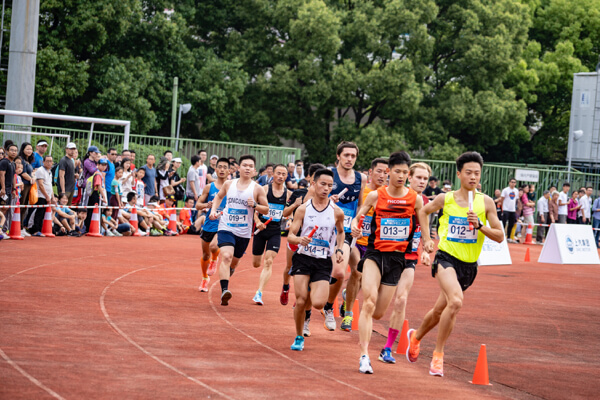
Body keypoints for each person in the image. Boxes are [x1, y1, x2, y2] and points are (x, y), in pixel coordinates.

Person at [407, 151, 504, 377]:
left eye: (477, 174)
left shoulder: (485, 202)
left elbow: (500, 236)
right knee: (456, 301)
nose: (473, 177)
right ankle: (438, 355)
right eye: (468, 172)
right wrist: (428, 240)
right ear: (459, 174)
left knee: (442, 308)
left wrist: (480, 226)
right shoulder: (446, 198)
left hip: (469, 266)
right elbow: (423, 211)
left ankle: (416, 336)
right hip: (446, 258)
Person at [350, 152, 426, 374]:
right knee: (369, 303)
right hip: (375, 254)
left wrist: (429, 242)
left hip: (398, 259)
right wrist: (356, 224)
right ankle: (364, 355)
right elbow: (360, 214)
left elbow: (424, 222)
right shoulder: (376, 195)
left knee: (379, 313)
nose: (401, 175)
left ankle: (379, 343)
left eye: (405, 172)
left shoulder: (415, 199)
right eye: (397, 171)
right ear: (389, 172)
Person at [379, 162, 431, 364]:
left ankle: (388, 348)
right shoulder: (396, 195)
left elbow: (424, 229)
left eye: (425, 179)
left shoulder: (425, 202)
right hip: (384, 254)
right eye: (418, 177)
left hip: (409, 257)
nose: (422, 181)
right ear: (409, 177)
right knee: (376, 308)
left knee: (401, 299)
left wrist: (425, 250)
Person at [288, 168, 345, 351]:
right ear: (313, 184)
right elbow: (291, 235)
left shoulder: (336, 212)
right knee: (301, 298)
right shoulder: (303, 209)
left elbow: (341, 232)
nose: (326, 188)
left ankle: (310, 311)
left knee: (318, 302)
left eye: (330, 185)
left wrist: (338, 249)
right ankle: (298, 336)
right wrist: (299, 239)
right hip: (303, 258)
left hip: (322, 261)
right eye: (323, 184)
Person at [209, 155, 269, 305]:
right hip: (226, 227)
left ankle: (229, 272)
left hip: (244, 232)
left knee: (233, 263)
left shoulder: (257, 188)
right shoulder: (229, 184)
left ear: (254, 170)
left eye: (250, 166)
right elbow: (218, 197)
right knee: (227, 256)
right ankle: (224, 291)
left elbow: (266, 209)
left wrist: (255, 205)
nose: (247, 168)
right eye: (244, 165)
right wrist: (213, 211)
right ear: (238, 168)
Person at [339, 157, 388, 332]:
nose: (382, 176)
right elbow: (354, 213)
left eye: (386, 173)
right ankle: (349, 314)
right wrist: (354, 226)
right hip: (356, 241)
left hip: (374, 245)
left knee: (366, 280)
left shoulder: (387, 195)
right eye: (379, 171)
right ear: (371, 172)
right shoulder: (364, 191)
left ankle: (347, 296)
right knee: (357, 273)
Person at [324, 141, 367, 332]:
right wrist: (327, 200)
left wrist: (356, 223)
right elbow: (312, 198)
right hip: (324, 230)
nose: (350, 159)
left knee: (342, 272)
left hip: (346, 232)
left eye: (353, 156)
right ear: (338, 156)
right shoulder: (328, 174)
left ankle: (331, 307)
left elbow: (358, 207)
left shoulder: (361, 178)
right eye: (346, 155)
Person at [279, 163, 325, 308]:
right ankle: (285, 287)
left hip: (313, 239)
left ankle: (300, 297)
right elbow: (284, 213)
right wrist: (295, 205)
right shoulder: (298, 193)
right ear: (310, 177)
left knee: (308, 271)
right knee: (289, 267)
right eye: (316, 176)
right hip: (295, 237)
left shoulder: (324, 198)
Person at [251, 164, 294, 305]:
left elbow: (290, 212)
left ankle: (259, 293)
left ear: (287, 176)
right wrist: (257, 222)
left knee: (269, 261)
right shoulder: (264, 190)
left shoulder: (288, 194)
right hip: (261, 229)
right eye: (278, 173)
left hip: (275, 230)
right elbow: (253, 211)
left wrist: (290, 220)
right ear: (273, 174)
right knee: (256, 263)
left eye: (284, 174)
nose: (281, 176)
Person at [196, 158, 231, 292]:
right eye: (219, 167)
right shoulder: (209, 187)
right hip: (209, 224)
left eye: (225, 167)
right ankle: (205, 278)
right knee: (205, 255)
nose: (222, 169)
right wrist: (206, 205)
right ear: (215, 170)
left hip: (224, 224)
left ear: (229, 171)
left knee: (214, 246)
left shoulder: (232, 187)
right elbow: (198, 204)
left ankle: (215, 259)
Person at [29, 155, 55, 236]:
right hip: (41, 196)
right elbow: (41, 185)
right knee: (39, 213)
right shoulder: (40, 170)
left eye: (50, 161)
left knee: (43, 213)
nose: (49, 163)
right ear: (43, 162)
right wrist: (47, 196)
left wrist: (52, 197)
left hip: (47, 196)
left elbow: (50, 185)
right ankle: (35, 230)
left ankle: (39, 229)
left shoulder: (50, 171)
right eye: (47, 161)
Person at [84, 158, 108, 232]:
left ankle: (91, 228)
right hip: (95, 193)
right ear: (97, 165)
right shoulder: (98, 174)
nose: (104, 167)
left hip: (95, 194)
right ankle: (90, 228)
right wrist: (104, 196)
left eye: (105, 165)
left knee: (93, 210)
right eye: (102, 165)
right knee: (93, 211)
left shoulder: (99, 173)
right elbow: (98, 186)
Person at [0, 143, 17, 231]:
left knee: (6, 208)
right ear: (7, 151)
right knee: (2, 208)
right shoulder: (4, 162)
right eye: (12, 150)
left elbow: (14, 176)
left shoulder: (13, 163)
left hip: (9, 190)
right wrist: (2, 188)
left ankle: (1, 229)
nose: (14, 152)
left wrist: (14, 189)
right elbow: (2, 175)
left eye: (15, 151)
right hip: (4, 189)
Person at [500, 178, 518, 243]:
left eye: (514, 182)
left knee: (511, 224)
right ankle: (502, 236)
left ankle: (509, 237)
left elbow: (516, 200)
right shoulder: (505, 190)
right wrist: (502, 207)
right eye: (512, 182)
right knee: (503, 223)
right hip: (506, 209)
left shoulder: (516, 190)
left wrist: (515, 208)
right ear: (509, 183)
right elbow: (502, 199)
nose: (513, 183)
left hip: (512, 209)